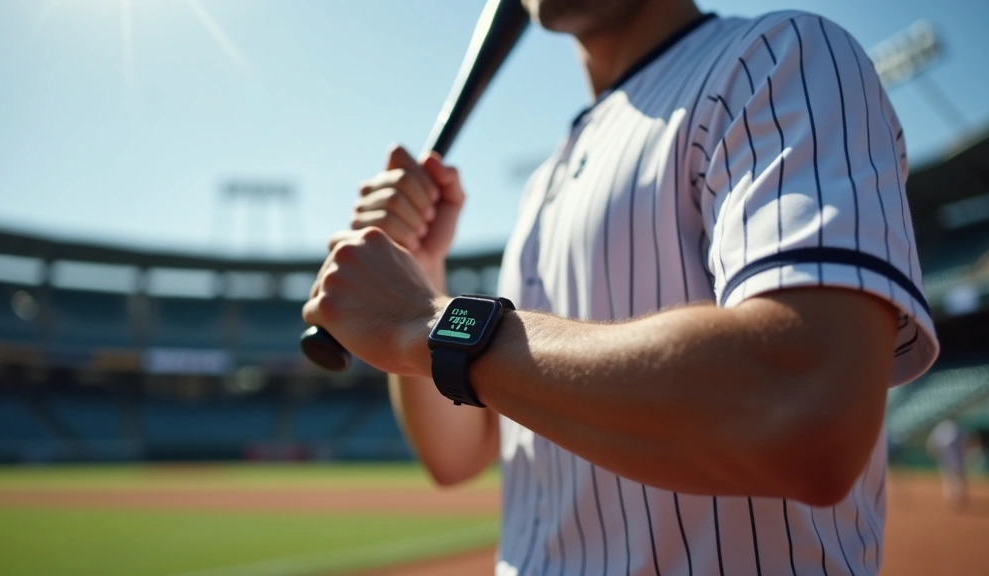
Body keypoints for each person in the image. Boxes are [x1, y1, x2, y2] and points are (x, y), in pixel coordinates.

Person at [303, 0, 940, 573]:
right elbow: (459, 455)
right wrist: (424, 272)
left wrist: (429, 319)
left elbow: (807, 403)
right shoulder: (546, 178)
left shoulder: (781, 56)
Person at [926, 419, 967, 509]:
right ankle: (954, 497)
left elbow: (933, 444)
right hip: (948, 458)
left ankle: (957, 496)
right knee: (951, 477)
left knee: (955, 477)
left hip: (954, 458)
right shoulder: (946, 428)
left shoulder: (949, 428)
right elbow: (933, 444)